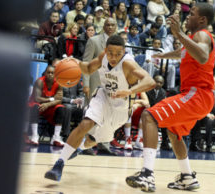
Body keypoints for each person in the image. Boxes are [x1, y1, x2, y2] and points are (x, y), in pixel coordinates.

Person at [126, 3, 215, 191]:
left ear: (202, 20)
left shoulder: (202, 35)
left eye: (191, 14)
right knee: (174, 132)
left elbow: (202, 56)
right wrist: (161, 55)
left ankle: (147, 175)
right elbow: (183, 53)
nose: (187, 17)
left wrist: (178, 34)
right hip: (200, 97)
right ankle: (187, 177)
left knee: (149, 116)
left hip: (196, 94)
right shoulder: (194, 39)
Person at [44, 35, 156, 181]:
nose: (113, 57)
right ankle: (59, 164)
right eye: (110, 53)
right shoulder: (103, 57)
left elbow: (150, 81)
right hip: (103, 96)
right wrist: (74, 62)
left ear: (124, 52)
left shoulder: (128, 64)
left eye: (118, 54)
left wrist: (130, 91)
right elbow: (89, 68)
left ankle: (79, 148)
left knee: (92, 140)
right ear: (105, 50)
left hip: (120, 109)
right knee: (85, 124)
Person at [82, 17, 117, 154]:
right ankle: (88, 144)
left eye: (112, 25)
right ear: (104, 26)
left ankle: (104, 143)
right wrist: (86, 83)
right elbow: (86, 63)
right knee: (91, 114)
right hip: (95, 83)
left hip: (112, 84)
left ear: (115, 27)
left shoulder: (119, 43)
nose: (110, 27)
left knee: (108, 115)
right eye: (107, 24)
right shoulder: (94, 41)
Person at [28, 65, 65, 146]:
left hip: (49, 107)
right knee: (34, 106)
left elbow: (59, 100)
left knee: (60, 108)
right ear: (45, 73)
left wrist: (48, 104)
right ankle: (35, 136)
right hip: (38, 106)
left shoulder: (59, 83)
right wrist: (51, 99)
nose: (50, 74)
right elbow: (37, 98)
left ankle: (56, 137)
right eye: (48, 72)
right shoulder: (39, 81)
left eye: (52, 73)